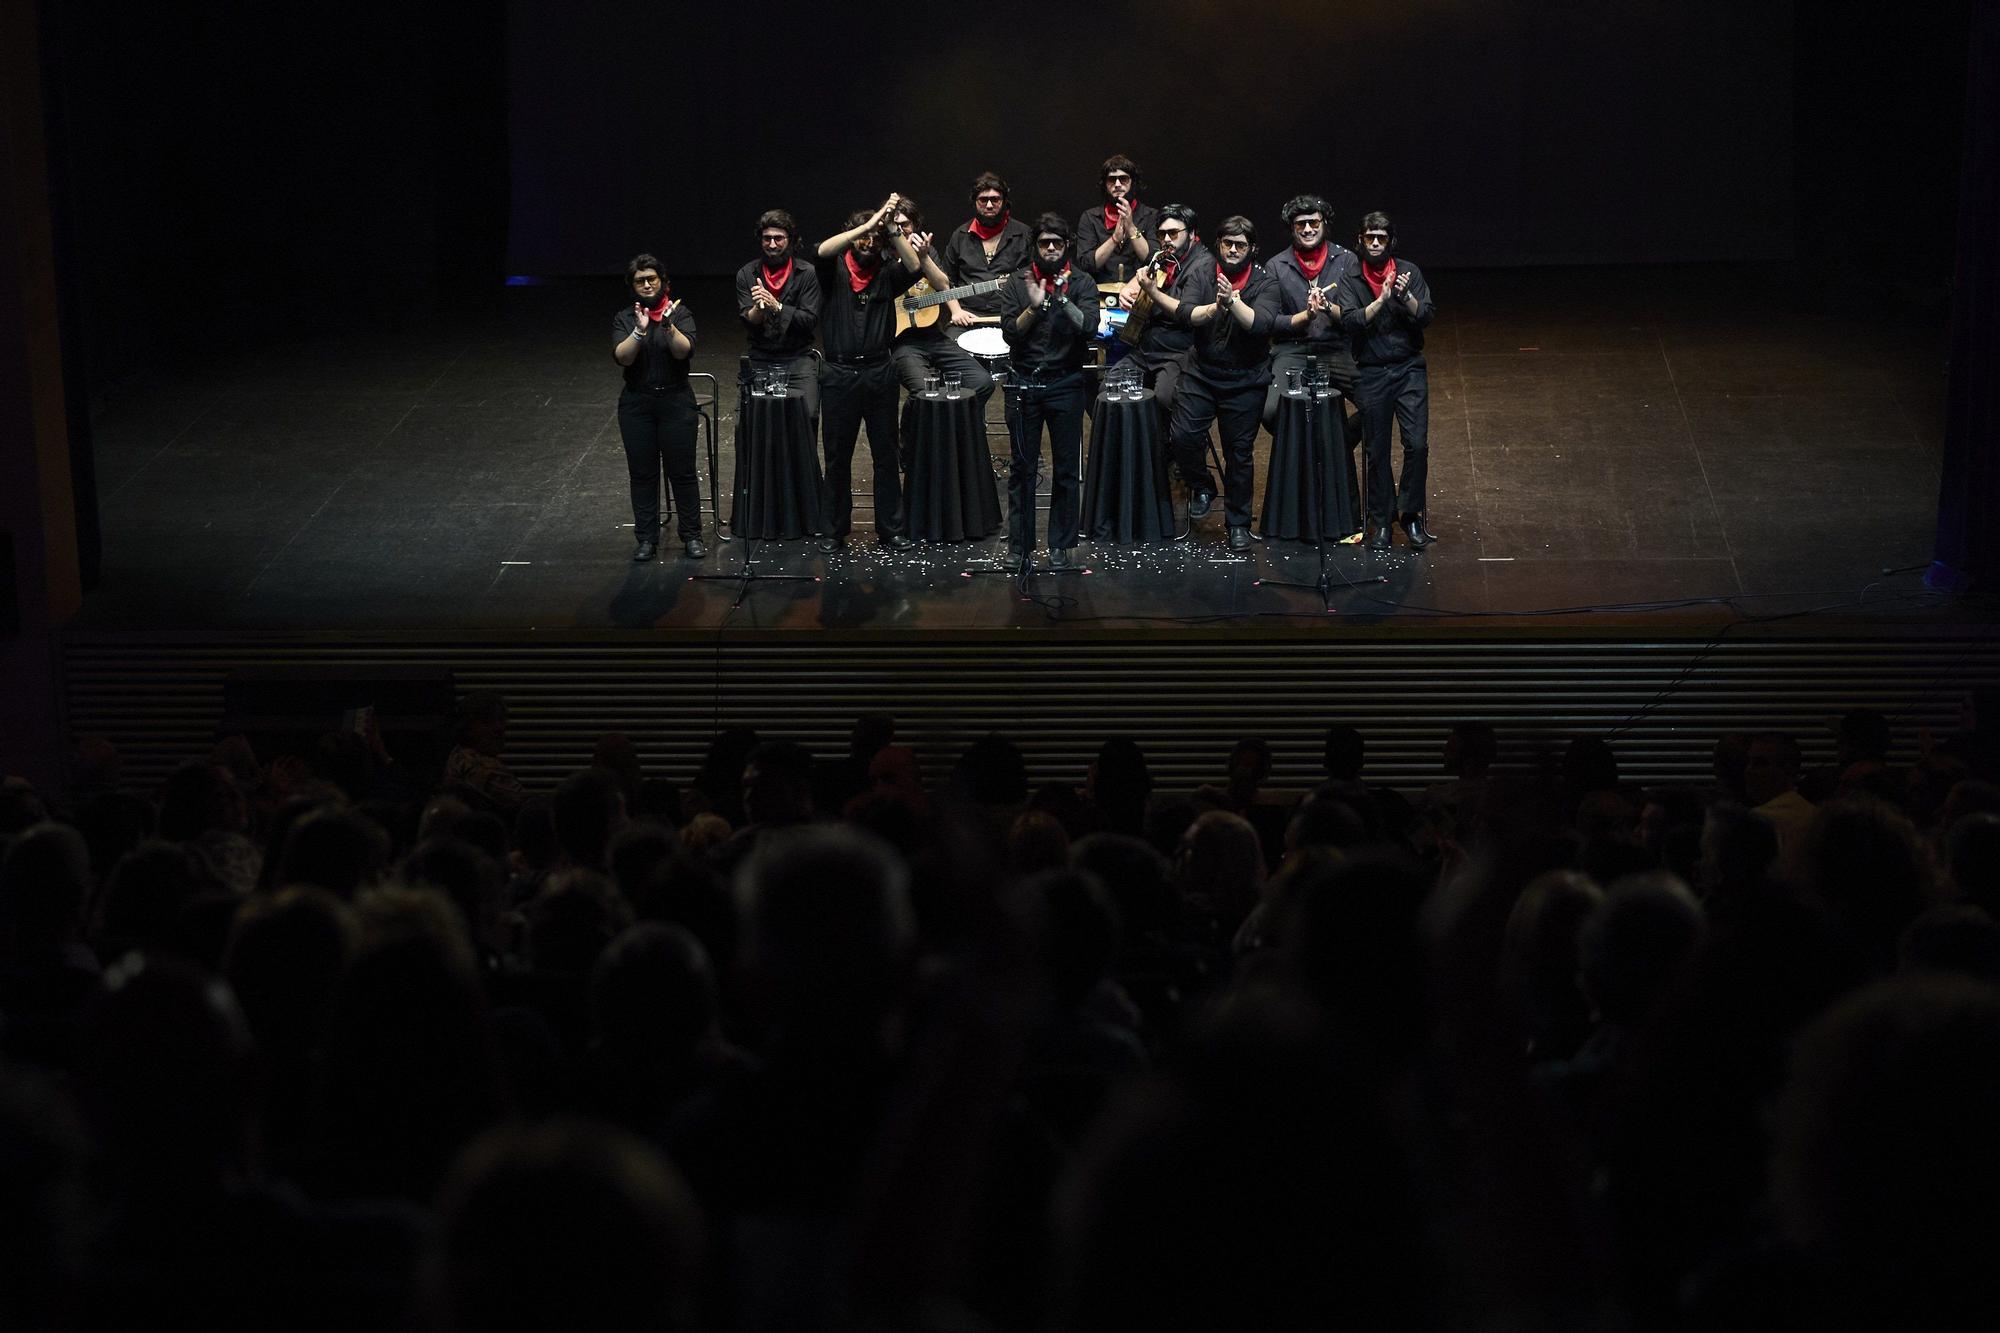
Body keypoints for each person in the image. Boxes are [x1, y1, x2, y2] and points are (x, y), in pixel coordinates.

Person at [1159, 215, 1283, 552]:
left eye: (1240, 245)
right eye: (1227, 243)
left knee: (1239, 453)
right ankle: (1203, 485)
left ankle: (1239, 523)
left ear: (1252, 249)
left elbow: (1260, 325)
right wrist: (1214, 305)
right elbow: (1186, 313)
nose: (1232, 250)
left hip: (1245, 379)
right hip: (1203, 372)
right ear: (1219, 245)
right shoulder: (1203, 273)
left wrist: (1233, 302)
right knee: (1183, 437)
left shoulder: (1265, 282)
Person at [813, 195, 927, 551]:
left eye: (875, 241)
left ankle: (890, 529)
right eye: (864, 238)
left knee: (885, 456)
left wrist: (890, 228)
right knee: (837, 457)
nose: (869, 243)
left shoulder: (886, 274)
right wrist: (867, 223)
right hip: (839, 372)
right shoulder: (833, 271)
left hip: (879, 371)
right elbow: (822, 250)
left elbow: (914, 266)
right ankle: (833, 531)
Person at [998, 213, 1099, 567]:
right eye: (1045, 243)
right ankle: (1019, 547)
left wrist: (1061, 300)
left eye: (1057, 242)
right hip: (1024, 383)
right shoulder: (1017, 282)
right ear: (1035, 246)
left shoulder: (1083, 282)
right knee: (1022, 469)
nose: (1052, 248)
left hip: (1066, 383)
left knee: (1067, 468)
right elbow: (1010, 332)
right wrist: (1035, 306)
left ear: (1067, 245)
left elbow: (1089, 327)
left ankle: (1060, 544)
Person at [1336, 211, 1436, 550]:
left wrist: (1405, 297)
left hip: (1408, 368)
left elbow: (1426, 316)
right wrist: (1381, 300)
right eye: (1369, 238)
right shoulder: (1351, 277)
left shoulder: (1409, 272)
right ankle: (1381, 520)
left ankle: (1410, 516)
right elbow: (1350, 321)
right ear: (1360, 241)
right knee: (1376, 450)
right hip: (1371, 372)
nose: (1375, 243)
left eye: (1381, 238)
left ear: (1390, 241)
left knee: (1417, 444)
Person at [1263, 196, 1364, 528]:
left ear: (1324, 225)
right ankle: (1311, 455)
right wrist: (1303, 317)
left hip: (1336, 348)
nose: (1307, 229)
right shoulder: (1277, 266)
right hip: (1293, 350)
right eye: (1300, 224)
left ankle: (1334, 441)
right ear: (1292, 228)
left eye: (1314, 223)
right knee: (1271, 411)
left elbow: (1354, 317)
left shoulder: (1347, 261)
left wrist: (1329, 312)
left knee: (1376, 400)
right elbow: (1271, 321)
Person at [610, 254, 705, 561]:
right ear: (632, 285)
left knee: (683, 472)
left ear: (664, 282)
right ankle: (646, 538)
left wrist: (666, 326)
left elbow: (683, 352)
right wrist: (639, 331)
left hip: (676, 401)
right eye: (641, 280)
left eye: (652, 279)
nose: (647, 284)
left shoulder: (681, 314)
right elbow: (623, 357)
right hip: (638, 403)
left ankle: (691, 535)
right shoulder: (625, 317)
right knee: (642, 474)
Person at [884, 196, 994, 419]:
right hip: (900, 342)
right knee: (925, 392)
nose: (901, 230)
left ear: (914, 225)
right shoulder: (881, 256)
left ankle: (950, 427)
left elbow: (944, 286)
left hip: (933, 337)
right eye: (896, 225)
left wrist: (923, 257)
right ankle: (919, 441)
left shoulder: (927, 252)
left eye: (905, 224)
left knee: (982, 382)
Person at [1115, 203, 1211, 419]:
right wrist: (1127, 292)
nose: (1167, 239)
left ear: (1192, 234)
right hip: (1147, 348)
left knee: (1164, 399)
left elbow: (1187, 313)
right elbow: (1142, 278)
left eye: (1174, 233)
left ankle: (1163, 450)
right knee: (1109, 390)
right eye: (1162, 234)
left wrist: (1152, 292)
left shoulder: (1203, 265)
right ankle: (1131, 447)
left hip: (1181, 351)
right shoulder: (1164, 257)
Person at [736, 209, 822, 421]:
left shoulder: (807, 273)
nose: (772, 245)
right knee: (748, 420)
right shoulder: (747, 274)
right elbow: (749, 321)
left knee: (807, 415)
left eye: (778, 238)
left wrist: (777, 306)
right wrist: (759, 308)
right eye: (767, 238)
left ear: (791, 240)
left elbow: (809, 320)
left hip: (798, 358)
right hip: (760, 358)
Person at [1075, 154, 1158, 284]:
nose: (1117, 184)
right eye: (1112, 180)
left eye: (1123, 179)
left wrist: (1131, 228)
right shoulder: (1090, 218)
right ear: (1105, 184)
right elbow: (1086, 265)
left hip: (1140, 295)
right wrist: (1114, 240)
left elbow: (1154, 261)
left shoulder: (1151, 215)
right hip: (1100, 295)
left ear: (1133, 182)